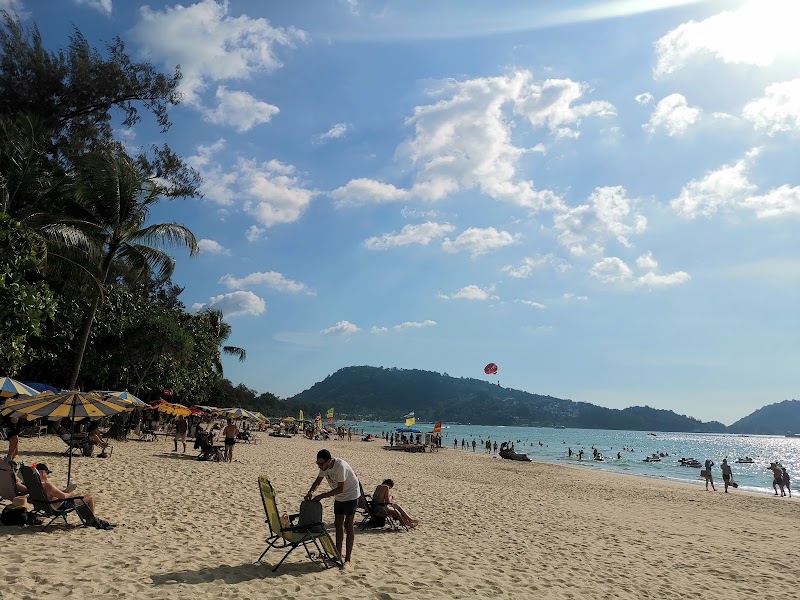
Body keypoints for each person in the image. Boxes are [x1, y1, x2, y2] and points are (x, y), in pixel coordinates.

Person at [305, 449, 359, 569]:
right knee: (337, 524)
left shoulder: (340, 466)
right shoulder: (324, 467)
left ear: (329, 461)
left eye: (321, 464)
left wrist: (322, 496)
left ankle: (348, 559)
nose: (319, 466)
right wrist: (311, 492)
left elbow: (340, 488)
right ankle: (337, 554)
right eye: (317, 463)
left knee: (348, 525)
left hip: (351, 495)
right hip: (339, 497)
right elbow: (318, 481)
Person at [32, 463, 114, 530]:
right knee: (88, 498)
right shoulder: (47, 485)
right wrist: (70, 494)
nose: (48, 475)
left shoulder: (34, 485)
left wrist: (65, 492)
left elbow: (53, 494)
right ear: (43, 473)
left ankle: (89, 518)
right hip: (58, 505)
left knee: (79, 495)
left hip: (47, 506)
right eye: (47, 473)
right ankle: (91, 520)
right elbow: (63, 497)